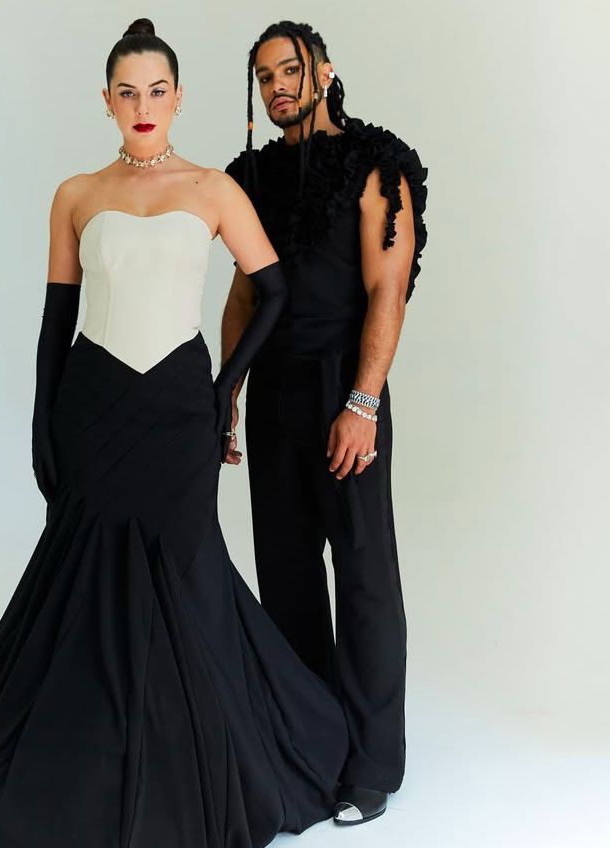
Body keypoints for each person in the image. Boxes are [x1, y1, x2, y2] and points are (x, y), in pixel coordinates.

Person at [0, 18, 350, 848]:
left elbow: (274, 290)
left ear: (178, 98)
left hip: (180, 408)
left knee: (186, 579)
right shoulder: (76, 195)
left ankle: (201, 764)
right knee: (83, 581)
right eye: (127, 92)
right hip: (93, 407)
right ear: (107, 101)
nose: (143, 105)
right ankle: (83, 771)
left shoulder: (215, 190)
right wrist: (41, 422)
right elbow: (57, 321)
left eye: (156, 91)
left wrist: (224, 386)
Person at [222, 20, 428, 826]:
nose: (277, 86)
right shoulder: (250, 177)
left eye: (290, 70)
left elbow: (387, 289)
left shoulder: (376, 163)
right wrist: (227, 392)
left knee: (365, 573)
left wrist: (362, 402)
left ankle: (371, 768)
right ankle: (309, 750)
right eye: (264, 76)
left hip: (345, 388)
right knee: (287, 574)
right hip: (273, 391)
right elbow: (243, 295)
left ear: (324, 71)